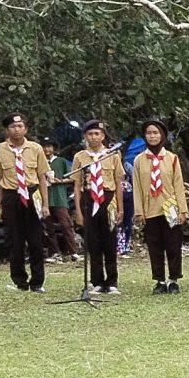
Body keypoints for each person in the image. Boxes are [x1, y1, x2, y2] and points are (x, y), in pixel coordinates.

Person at [0, 113, 51, 292]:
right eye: (12, 127)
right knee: (14, 240)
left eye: (20, 126)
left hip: (32, 195)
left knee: (35, 240)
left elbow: (42, 177)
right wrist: (0, 205)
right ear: (7, 129)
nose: (16, 130)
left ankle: (37, 282)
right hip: (11, 195)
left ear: (25, 128)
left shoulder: (35, 148)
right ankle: (20, 281)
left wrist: (46, 205)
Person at [133, 120, 188, 293]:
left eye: (156, 133)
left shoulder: (172, 158)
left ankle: (173, 280)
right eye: (149, 133)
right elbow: (137, 187)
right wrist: (139, 211)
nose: (152, 136)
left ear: (162, 135)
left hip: (170, 208)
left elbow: (178, 185)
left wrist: (182, 210)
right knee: (155, 246)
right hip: (150, 209)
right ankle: (160, 281)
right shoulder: (139, 160)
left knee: (173, 245)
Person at [72, 124, 123, 296]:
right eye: (90, 134)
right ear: (85, 136)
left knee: (110, 241)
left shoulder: (112, 155)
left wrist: (121, 209)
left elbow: (118, 184)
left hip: (108, 199)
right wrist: (78, 211)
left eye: (97, 133)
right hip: (89, 199)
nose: (93, 137)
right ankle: (97, 281)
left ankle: (112, 281)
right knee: (93, 243)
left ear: (103, 136)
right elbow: (77, 185)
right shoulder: (80, 157)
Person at [45, 136, 80, 262]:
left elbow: (72, 178)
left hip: (59, 197)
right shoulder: (40, 161)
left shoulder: (61, 161)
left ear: (54, 148)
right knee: (49, 227)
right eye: (44, 146)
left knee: (66, 225)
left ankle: (73, 251)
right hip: (45, 199)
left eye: (49, 146)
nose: (46, 149)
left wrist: (59, 181)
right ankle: (54, 253)